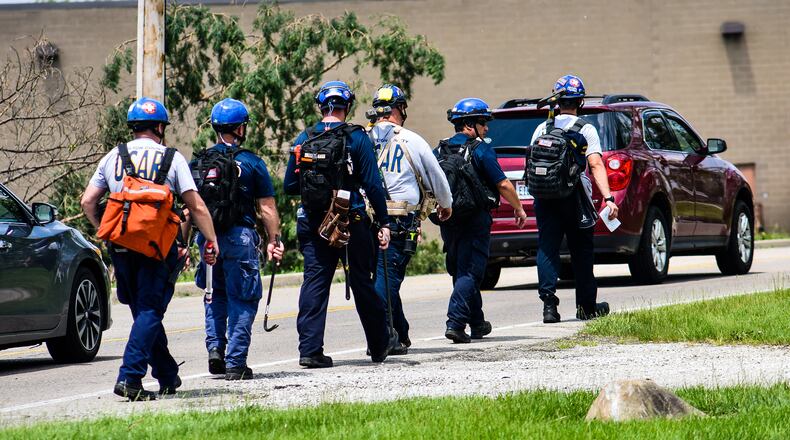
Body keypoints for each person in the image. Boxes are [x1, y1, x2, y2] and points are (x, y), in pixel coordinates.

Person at [81, 97, 219, 401]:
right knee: (150, 310)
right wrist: (211, 239)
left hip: (122, 247)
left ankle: (167, 374)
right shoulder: (172, 158)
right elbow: (195, 204)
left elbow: (88, 201)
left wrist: (106, 233)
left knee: (144, 312)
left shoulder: (112, 157)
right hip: (158, 248)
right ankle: (130, 377)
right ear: (160, 127)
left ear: (133, 127)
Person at [284, 80, 396, 368]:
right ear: (348, 106)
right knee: (362, 281)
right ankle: (379, 345)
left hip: (313, 222)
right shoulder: (357, 138)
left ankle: (310, 351)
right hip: (351, 220)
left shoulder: (303, 138)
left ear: (321, 106)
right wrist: (383, 222)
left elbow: (289, 185)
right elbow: (372, 183)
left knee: (315, 282)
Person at [186, 98, 284, 381]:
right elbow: (266, 208)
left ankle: (215, 348)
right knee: (243, 298)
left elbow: (188, 208)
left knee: (213, 295)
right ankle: (235, 363)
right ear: (240, 128)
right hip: (240, 238)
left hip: (207, 239)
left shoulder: (199, 163)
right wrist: (273, 239)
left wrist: (183, 243)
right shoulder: (251, 162)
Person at [366, 84, 453, 354]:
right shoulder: (411, 140)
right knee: (387, 279)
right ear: (399, 109)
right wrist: (446, 204)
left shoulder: (361, 139)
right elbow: (435, 176)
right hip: (398, 220)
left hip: (365, 219)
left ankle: (399, 333)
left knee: (383, 277)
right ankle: (383, 337)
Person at [529, 74, 618, 323]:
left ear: (557, 102)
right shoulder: (585, 128)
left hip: (545, 198)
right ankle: (586, 307)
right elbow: (596, 164)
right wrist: (609, 198)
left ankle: (549, 307)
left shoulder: (542, 128)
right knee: (582, 251)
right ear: (580, 102)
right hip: (575, 198)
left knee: (547, 248)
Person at [437, 98, 527, 343]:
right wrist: (519, 208)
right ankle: (455, 323)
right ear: (468, 124)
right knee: (471, 272)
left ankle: (477, 322)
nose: (486, 128)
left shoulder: (441, 149)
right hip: (475, 218)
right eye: (482, 122)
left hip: (449, 218)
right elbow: (503, 184)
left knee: (460, 269)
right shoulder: (481, 149)